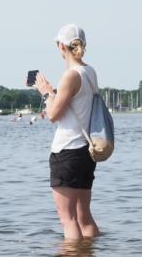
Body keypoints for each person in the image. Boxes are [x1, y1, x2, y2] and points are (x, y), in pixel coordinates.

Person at [33, 24, 101, 240]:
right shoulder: (90, 72)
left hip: (67, 151)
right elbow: (70, 107)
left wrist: (45, 93)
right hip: (86, 151)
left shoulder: (70, 76)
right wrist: (54, 93)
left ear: (61, 46)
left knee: (67, 218)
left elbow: (53, 115)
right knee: (84, 217)